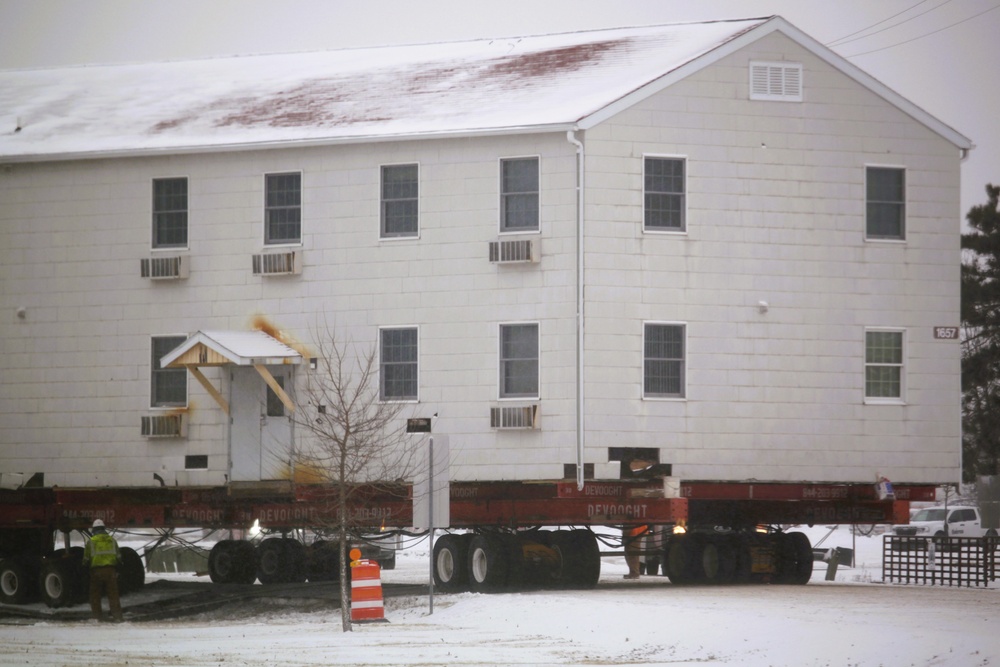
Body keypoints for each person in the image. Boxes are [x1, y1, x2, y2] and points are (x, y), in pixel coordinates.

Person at [83, 519, 123, 622]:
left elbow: (86, 559)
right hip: (110, 571)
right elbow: (118, 557)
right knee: (113, 595)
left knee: (95, 595)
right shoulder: (112, 540)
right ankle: (117, 617)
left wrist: (84, 567)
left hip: (96, 571)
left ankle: (97, 617)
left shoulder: (91, 542)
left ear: (94, 529)